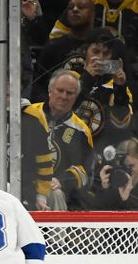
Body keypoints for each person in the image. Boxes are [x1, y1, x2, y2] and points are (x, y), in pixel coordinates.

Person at [22, 69, 92, 211]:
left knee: (56, 193)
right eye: (60, 90)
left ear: (76, 96)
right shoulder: (28, 114)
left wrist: (62, 181)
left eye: (70, 93)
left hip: (58, 194)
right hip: (24, 184)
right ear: (50, 90)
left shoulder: (81, 130)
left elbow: (86, 171)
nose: (64, 96)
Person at [86, 138, 138, 213]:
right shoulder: (110, 189)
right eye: (122, 166)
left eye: (131, 166)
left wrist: (126, 199)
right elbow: (96, 218)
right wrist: (104, 189)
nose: (127, 171)